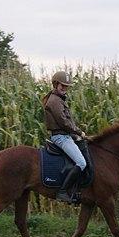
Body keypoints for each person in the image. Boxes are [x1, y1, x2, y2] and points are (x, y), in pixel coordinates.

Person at [42, 71, 88, 204]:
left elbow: (67, 122)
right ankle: (63, 192)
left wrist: (75, 135)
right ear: (55, 84)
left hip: (67, 135)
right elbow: (64, 122)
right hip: (61, 137)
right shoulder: (55, 101)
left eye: (66, 86)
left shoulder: (59, 99)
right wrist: (79, 133)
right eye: (62, 85)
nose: (64, 88)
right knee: (81, 163)